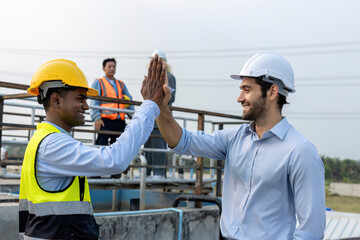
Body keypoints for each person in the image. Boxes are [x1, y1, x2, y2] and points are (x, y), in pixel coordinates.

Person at [156, 52, 326, 239]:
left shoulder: (300, 151)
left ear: (272, 91)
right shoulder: (234, 139)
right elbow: (182, 141)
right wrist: (160, 107)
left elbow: (310, 231)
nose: (239, 98)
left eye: (247, 89)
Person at [19, 56, 170, 239]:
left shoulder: (43, 140)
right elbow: (115, 160)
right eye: (81, 99)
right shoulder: (52, 145)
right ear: (56, 100)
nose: (86, 106)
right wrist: (150, 105)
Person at [145, 50, 176, 178]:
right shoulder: (149, 77)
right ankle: (145, 173)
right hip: (149, 116)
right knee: (147, 147)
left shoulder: (169, 77)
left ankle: (159, 174)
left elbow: (171, 98)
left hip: (161, 117)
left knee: (159, 147)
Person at [90, 58, 135, 146]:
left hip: (119, 121)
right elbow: (94, 101)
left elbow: (129, 100)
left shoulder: (121, 84)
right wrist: (97, 118)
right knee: (101, 145)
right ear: (104, 68)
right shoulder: (98, 82)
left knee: (119, 146)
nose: (112, 69)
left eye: (114, 67)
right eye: (109, 66)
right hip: (105, 121)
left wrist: (132, 114)